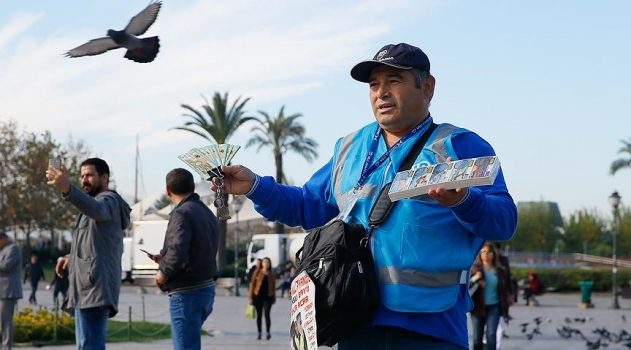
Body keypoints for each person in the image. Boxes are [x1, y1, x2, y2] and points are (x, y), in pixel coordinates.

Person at [214, 42, 517, 349]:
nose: (381, 93)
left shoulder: (460, 146)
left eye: (394, 81)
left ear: (427, 87)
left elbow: (504, 222)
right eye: (374, 85)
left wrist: (464, 201)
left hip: (432, 329)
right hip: (353, 322)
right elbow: (306, 206)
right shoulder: (349, 148)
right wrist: (254, 185)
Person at [46, 157, 131, 350]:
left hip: (94, 287)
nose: (85, 180)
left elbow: (98, 210)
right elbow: (94, 244)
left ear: (104, 177)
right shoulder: (91, 204)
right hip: (86, 286)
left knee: (89, 346)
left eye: (90, 175)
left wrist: (68, 189)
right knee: (85, 345)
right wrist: (70, 258)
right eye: (82, 176)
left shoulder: (108, 200)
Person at [151, 168, 219, 350]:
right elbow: (195, 248)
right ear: (193, 186)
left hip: (187, 293)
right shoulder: (205, 212)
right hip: (205, 289)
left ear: (168, 190)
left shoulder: (181, 213)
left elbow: (178, 251)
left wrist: (162, 273)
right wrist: (164, 257)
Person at [469, 243, 512, 350]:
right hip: (478, 307)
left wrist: (510, 297)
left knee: (491, 336)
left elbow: (506, 286)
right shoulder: (474, 269)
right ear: (479, 254)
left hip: (494, 307)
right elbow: (465, 287)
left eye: (489, 252)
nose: (486, 254)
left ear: (493, 254)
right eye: (483, 252)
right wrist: (475, 279)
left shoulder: (500, 271)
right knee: (477, 337)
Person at [0, 232, 22, 350]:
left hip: (8, 291)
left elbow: (6, 266)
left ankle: (6, 347)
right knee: (2, 321)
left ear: (2, 239)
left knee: (6, 321)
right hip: (2, 290)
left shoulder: (13, 248)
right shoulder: (3, 250)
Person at [248, 257, 276, 340]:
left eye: (268, 262)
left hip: (268, 297)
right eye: (264, 262)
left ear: (270, 264)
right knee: (259, 315)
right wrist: (250, 297)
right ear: (262, 263)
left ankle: (268, 332)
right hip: (257, 297)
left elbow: (273, 287)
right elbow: (252, 285)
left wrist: (274, 297)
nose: (266, 264)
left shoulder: (272, 274)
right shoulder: (257, 272)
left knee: (267, 314)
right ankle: (259, 332)